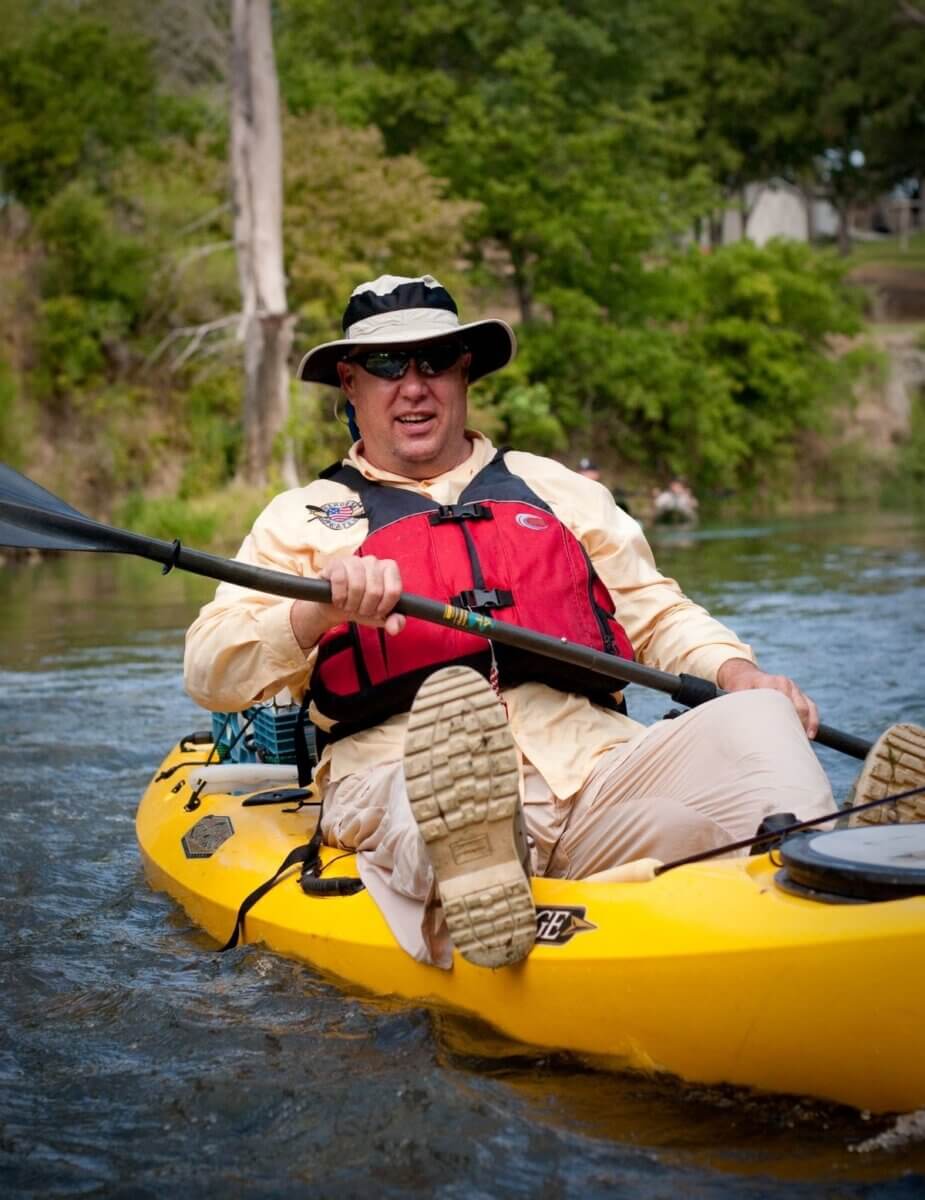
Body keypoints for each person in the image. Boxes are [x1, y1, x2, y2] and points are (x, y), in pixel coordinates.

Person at [185, 273, 834, 972]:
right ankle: (482, 868)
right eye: (385, 365)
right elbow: (211, 668)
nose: (413, 385)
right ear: (349, 383)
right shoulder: (302, 516)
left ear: (464, 372)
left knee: (759, 716)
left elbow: (656, 613)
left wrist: (736, 672)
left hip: (595, 777)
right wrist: (318, 608)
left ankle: (832, 881)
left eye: (434, 361)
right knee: (435, 795)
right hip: (405, 774)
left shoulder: (555, 488)